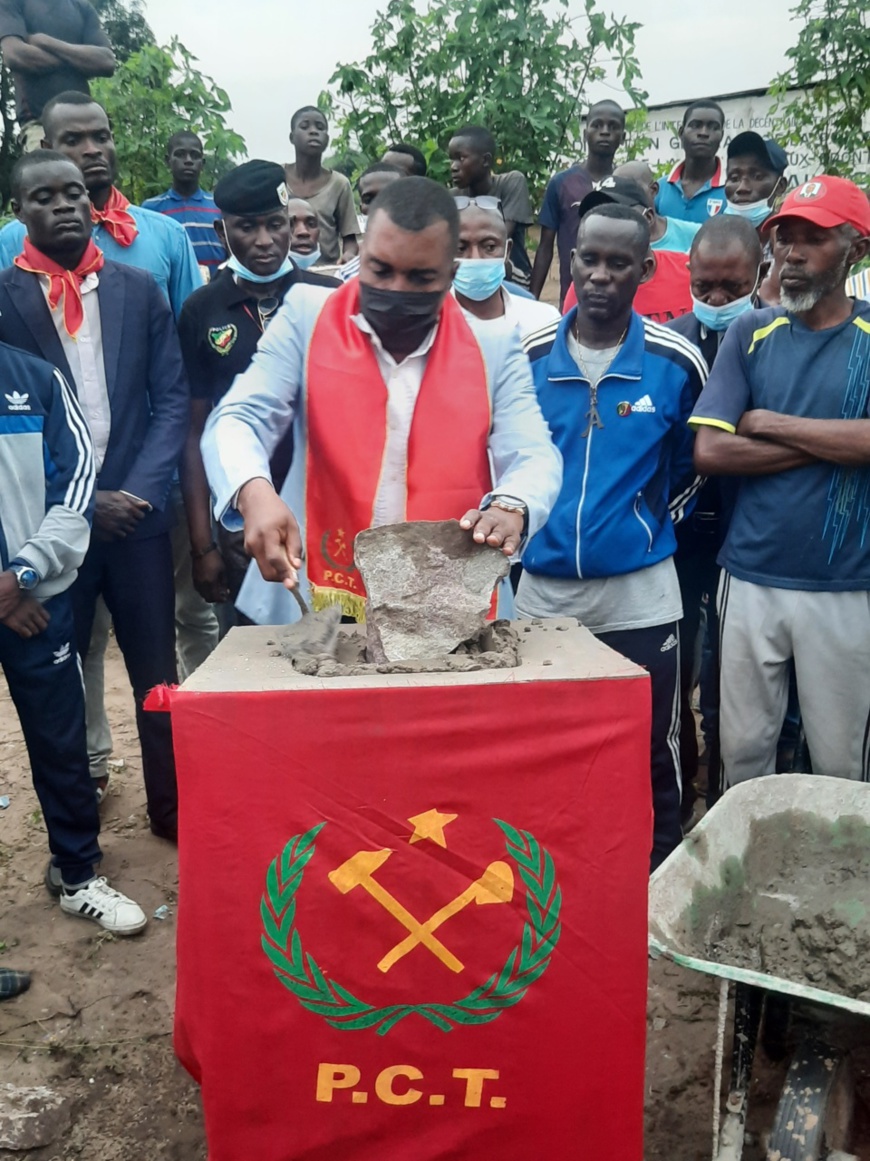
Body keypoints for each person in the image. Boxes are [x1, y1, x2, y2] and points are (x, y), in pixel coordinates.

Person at [201, 177, 562, 627]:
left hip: (447, 606)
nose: (396, 289)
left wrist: (513, 504)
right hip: (318, 595)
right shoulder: (307, 319)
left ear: (449, 277)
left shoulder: (492, 346)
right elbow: (238, 418)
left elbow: (533, 453)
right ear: (360, 260)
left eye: (419, 277)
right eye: (381, 270)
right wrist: (253, 491)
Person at [0, 150, 190, 842]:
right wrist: (82, 505)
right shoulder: (3, 300)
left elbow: (170, 402)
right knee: (57, 686)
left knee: (156, 675)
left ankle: (171, 810)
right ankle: (75, 841)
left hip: (138, 526)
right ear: (19, 213)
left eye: (75, 194)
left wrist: (136, 492)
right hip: (50, 535)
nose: (65, 207)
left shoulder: (140, 290)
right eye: (44, 197)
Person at [517, 204, 707, 869]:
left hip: (639, 594)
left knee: (655, 744)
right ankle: (554, 869)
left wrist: (644, 527)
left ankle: (661, 873)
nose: (599, 275)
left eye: (617, 263)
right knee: (543, 743)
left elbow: (693, 464)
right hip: (542, 594)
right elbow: (503, 460)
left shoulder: (676, 362)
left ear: (646, 270)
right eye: (588, 260)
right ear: (570, 262)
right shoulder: (528, 359)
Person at [0, 171, 147, 929]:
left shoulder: (35, 383)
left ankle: (78, 870)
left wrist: (23, 574)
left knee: (59, 738)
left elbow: (76, 481)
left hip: (31, 598)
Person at [690, 176, 870, 789]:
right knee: (742, 759)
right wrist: (839, 445)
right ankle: (747, 881)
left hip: (847, 584)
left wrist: (770, 424)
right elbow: (711, 450)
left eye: (812, 240)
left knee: (843, 765)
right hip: (749, 577)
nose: (791, 255)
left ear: (856, 250)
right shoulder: (750, 332)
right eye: (783, 239)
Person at [178, 162, 339, 621]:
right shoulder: (201, 309)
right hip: (240, 526)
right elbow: (194, 431)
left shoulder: (329, 296)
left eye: (276, 224)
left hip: (326, 515)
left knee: (338, 652)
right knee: (252, 659)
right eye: (247, 228)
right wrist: (202, 542)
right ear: (221, 231)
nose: (265, 240)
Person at [668, 215, 763, 813]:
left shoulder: (769, 343)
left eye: (732, 287)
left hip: (744, 531)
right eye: (705, 288)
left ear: (760, 275)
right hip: (675, 537)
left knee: (731, 672)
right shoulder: (673, 347)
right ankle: (683, 781)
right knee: (676, 664)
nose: (718, 300)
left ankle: (728, 795)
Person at [0, 92, 202, 315]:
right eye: (73, 140)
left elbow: (192, 330)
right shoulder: (12, 241)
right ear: (47, 147)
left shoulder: (168, 236)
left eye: (101, 137)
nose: (93, 150)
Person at [530, 100, 625, 305]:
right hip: (572, 295)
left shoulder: (627, 186)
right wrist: (532, 299)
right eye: (597, 125)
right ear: (585, 134)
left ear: (623, 137)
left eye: (613, 126)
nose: (605, 132)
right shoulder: (561, 183)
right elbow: (545, 246)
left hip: (617, 295)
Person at [561, 178, 693, 324]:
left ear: (648, 218)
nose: (605, 220)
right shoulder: (586, 287)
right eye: (596, 213)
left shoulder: (689, 272)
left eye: (619, 212)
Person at [0, 0, 114, 151]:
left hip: (86, 124)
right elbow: (15, 55)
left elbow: (106, 62)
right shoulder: (12, 2)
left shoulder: (82, 7)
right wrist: (78, 60)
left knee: (97, 174)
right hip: (40, 124)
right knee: (48, 173)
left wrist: (45, 42)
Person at [453, 198, 559, 339]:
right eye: (461, 248)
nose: (476, 258)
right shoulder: (424, 329)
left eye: (490, 247)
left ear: (507, 251)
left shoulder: (545, 324)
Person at [448, 124, 535, 288]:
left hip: (511, 277)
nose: (453, 166)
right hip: (467, 279)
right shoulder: (453, 197)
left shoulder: (511, 182)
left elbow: (498, 239)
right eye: (451, 159)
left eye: (460, 158)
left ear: (486, 160)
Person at [142, 130, 226, 278]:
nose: (188, 160)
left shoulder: (220, 206)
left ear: (203, 164)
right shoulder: (150, 210)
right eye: (180, 154)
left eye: (195, 156)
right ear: (168, 161)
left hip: (216, 295)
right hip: (169, 297)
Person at [283, 106, 358, 265]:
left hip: (326, 272)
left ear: (327, 139)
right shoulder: (277, 178)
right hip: (283, 272)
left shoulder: (339, 184)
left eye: (320, 127)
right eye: (304, 127)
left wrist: (348, 257)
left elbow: (349, 239)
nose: (313, 131)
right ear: (292, 137)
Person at [655, 100, 727, 224]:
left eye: (713, 127)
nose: (703, 133)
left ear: (721, 135)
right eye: (695, 125)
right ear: (681, 133)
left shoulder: (731, 190)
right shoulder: (660, 188)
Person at [337, 163, 406, 283]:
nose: (379, 205)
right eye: (369, 200)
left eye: (390, 196)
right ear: (361, 208)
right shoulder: (346, 277)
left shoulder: (433, 268)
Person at [614, 161, 701, 253]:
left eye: (629, 188)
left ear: (654, 189)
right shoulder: (606, 238)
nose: (621, 194)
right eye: (615, 189)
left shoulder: (694, 234)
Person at [722, 131, 788, 230]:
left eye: (757, 177)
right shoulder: (712, 241)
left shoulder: (794, 242)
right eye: (734, 178)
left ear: (780, 186)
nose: (742, 188)